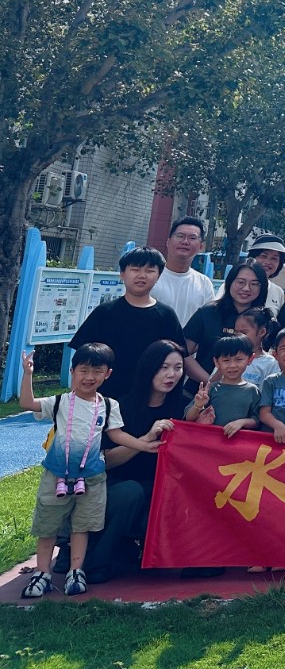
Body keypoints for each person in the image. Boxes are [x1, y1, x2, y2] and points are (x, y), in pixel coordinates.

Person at [16, 345, 154, 599]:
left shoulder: (109, 406)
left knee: (82, 526)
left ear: (107, 374)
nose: (89, 377)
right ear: (72, 371)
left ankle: (75, 571)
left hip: (92, 478)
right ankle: (42, 573)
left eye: (97, 371)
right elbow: (27, 403)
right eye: (84, 370)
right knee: (48, 526)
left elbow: (116, 435)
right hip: (57, 475)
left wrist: (143, 445)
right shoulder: (60, 402)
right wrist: (28, 375)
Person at [74, 340, 188, 584]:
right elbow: (105, 461)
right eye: (164, 367)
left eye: (178, 368)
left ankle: (138, 552)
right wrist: (144, 440)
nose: (171, 374)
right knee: (130, 492)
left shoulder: (186, 406)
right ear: (149, 368)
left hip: (162, 489)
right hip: (118, 486)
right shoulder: (121, 407)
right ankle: (95, 562)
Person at [70, 246, 185, 406]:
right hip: (105, 399)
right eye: (135, 269)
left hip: (149, 402)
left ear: (159, 275)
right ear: (122, 274)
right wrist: (75, 400)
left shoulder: (166, 316)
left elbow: (179, 357)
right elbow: (81, 358)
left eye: (150, 270)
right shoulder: (105, 312)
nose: (142, 275)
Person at [183, 259, 269, 382]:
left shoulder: (264, 318)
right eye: (240, 282)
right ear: (229, 282)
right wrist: (210, 383)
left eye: (254, 284)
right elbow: (183, 352)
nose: (246, 288)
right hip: (200, 388)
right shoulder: (208, 312)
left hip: (248, 391)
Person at [150, 216, 215, 327]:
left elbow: (208, 322)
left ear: (201, 246)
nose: (185, 242)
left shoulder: (204, 283)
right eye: (180, 236)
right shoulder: (150, 277)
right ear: (168, 242)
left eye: (192, 238)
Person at [245, 235, 285, 311]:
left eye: (274, 258)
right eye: (263, 256)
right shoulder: (236, 285)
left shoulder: (278, 291)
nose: (268, 262)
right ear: (252, 258)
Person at [235, 307, 278, 386]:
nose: (238, 336)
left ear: (262, 332)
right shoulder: (228, 356)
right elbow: (213, 385)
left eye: (244, 333)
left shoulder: (270, 363)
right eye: (236, 332)